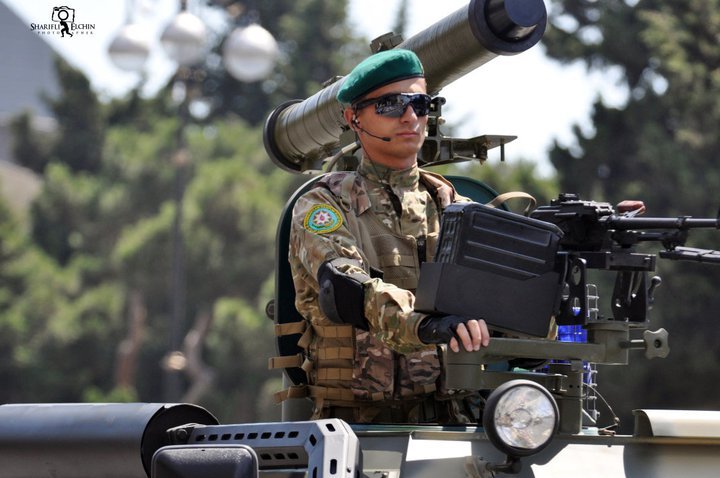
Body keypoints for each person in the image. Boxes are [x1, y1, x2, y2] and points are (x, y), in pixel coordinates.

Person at [285, 49, 490, 424]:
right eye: (391, 105)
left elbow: (506, 291)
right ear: (353, 118)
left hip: (453, 424)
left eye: (421, 103)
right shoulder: (324, 204)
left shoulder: (454, 207)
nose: (411, 116)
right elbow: (349, 288)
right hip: (355, 428)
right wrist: (427, 325)